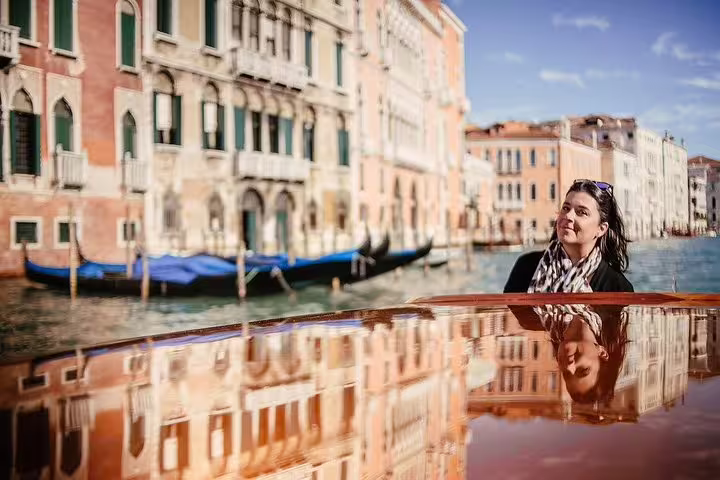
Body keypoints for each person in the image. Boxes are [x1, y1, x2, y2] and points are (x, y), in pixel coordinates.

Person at [504, 179, 633, 293]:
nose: (568, 216)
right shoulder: (526, 266)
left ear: (601, 229)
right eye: (566, 208)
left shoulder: (617, 287)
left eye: (581, 212)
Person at [510, 303, 630, 404]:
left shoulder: (529, 317)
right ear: (602, 353)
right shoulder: (613, 290)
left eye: (567, 374)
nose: (569, 366)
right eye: (583, 370)